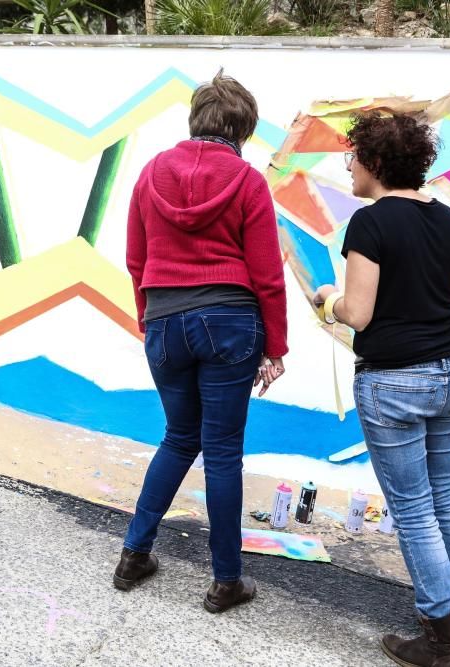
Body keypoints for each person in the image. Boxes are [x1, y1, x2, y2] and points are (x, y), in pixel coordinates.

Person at [113, 71, 288, 614]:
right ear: (244, 128)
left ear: (197, 120)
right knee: (222, 454)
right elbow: (266, 273)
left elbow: (136, 260)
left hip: (165, 320)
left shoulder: (150, 174)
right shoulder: (247, 180)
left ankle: (134, 555)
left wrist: (151, 320)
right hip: (231, 321)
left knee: (178, 438)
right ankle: (226, 581)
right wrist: (275, 346)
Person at [313, 112, 450, 666]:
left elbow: (357, 313)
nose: (350, 168)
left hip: (393, 384)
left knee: (412, 510)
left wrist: (324, 299)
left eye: (353, 157)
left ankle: (442, 643)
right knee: (443, 497)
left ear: (376, 163)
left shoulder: (370, 224)